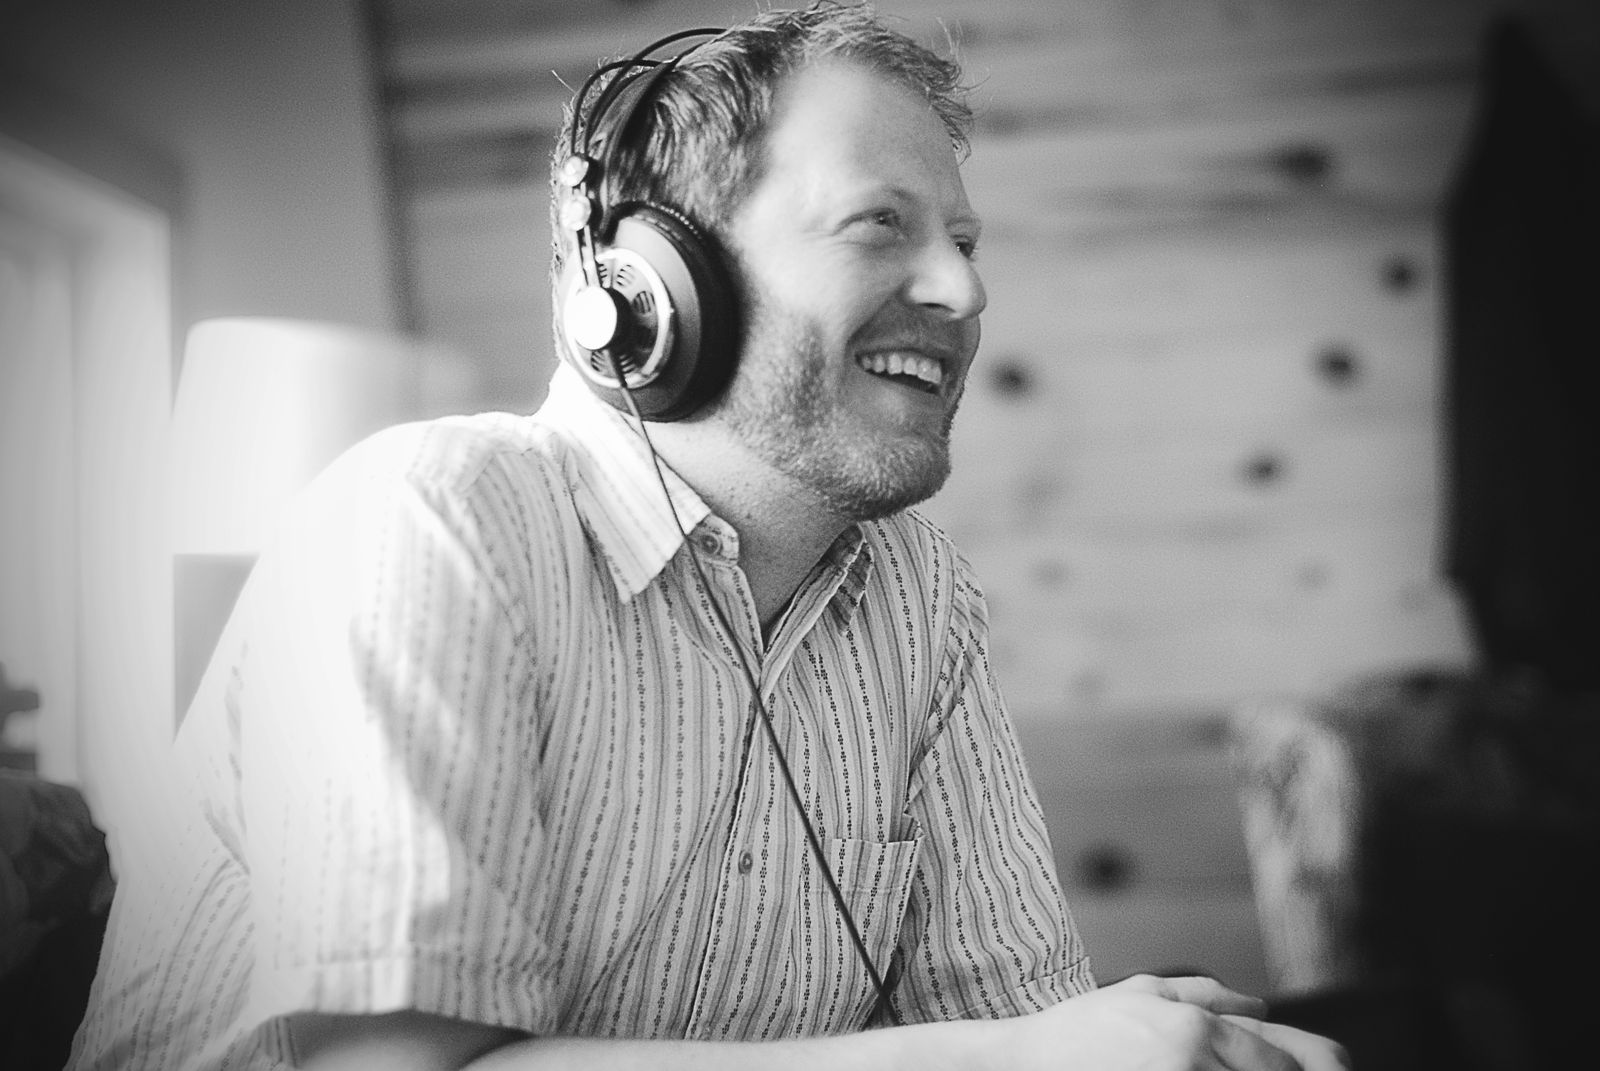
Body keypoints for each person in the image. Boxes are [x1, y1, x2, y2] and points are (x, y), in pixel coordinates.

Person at [70, 4, 1348, 1069]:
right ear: (650, 290)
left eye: (962, 241)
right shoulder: (430, 517)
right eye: (880, 224)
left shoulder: (919, 599)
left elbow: (1017, 1020)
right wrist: (1017, 1059)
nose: (964, 289)